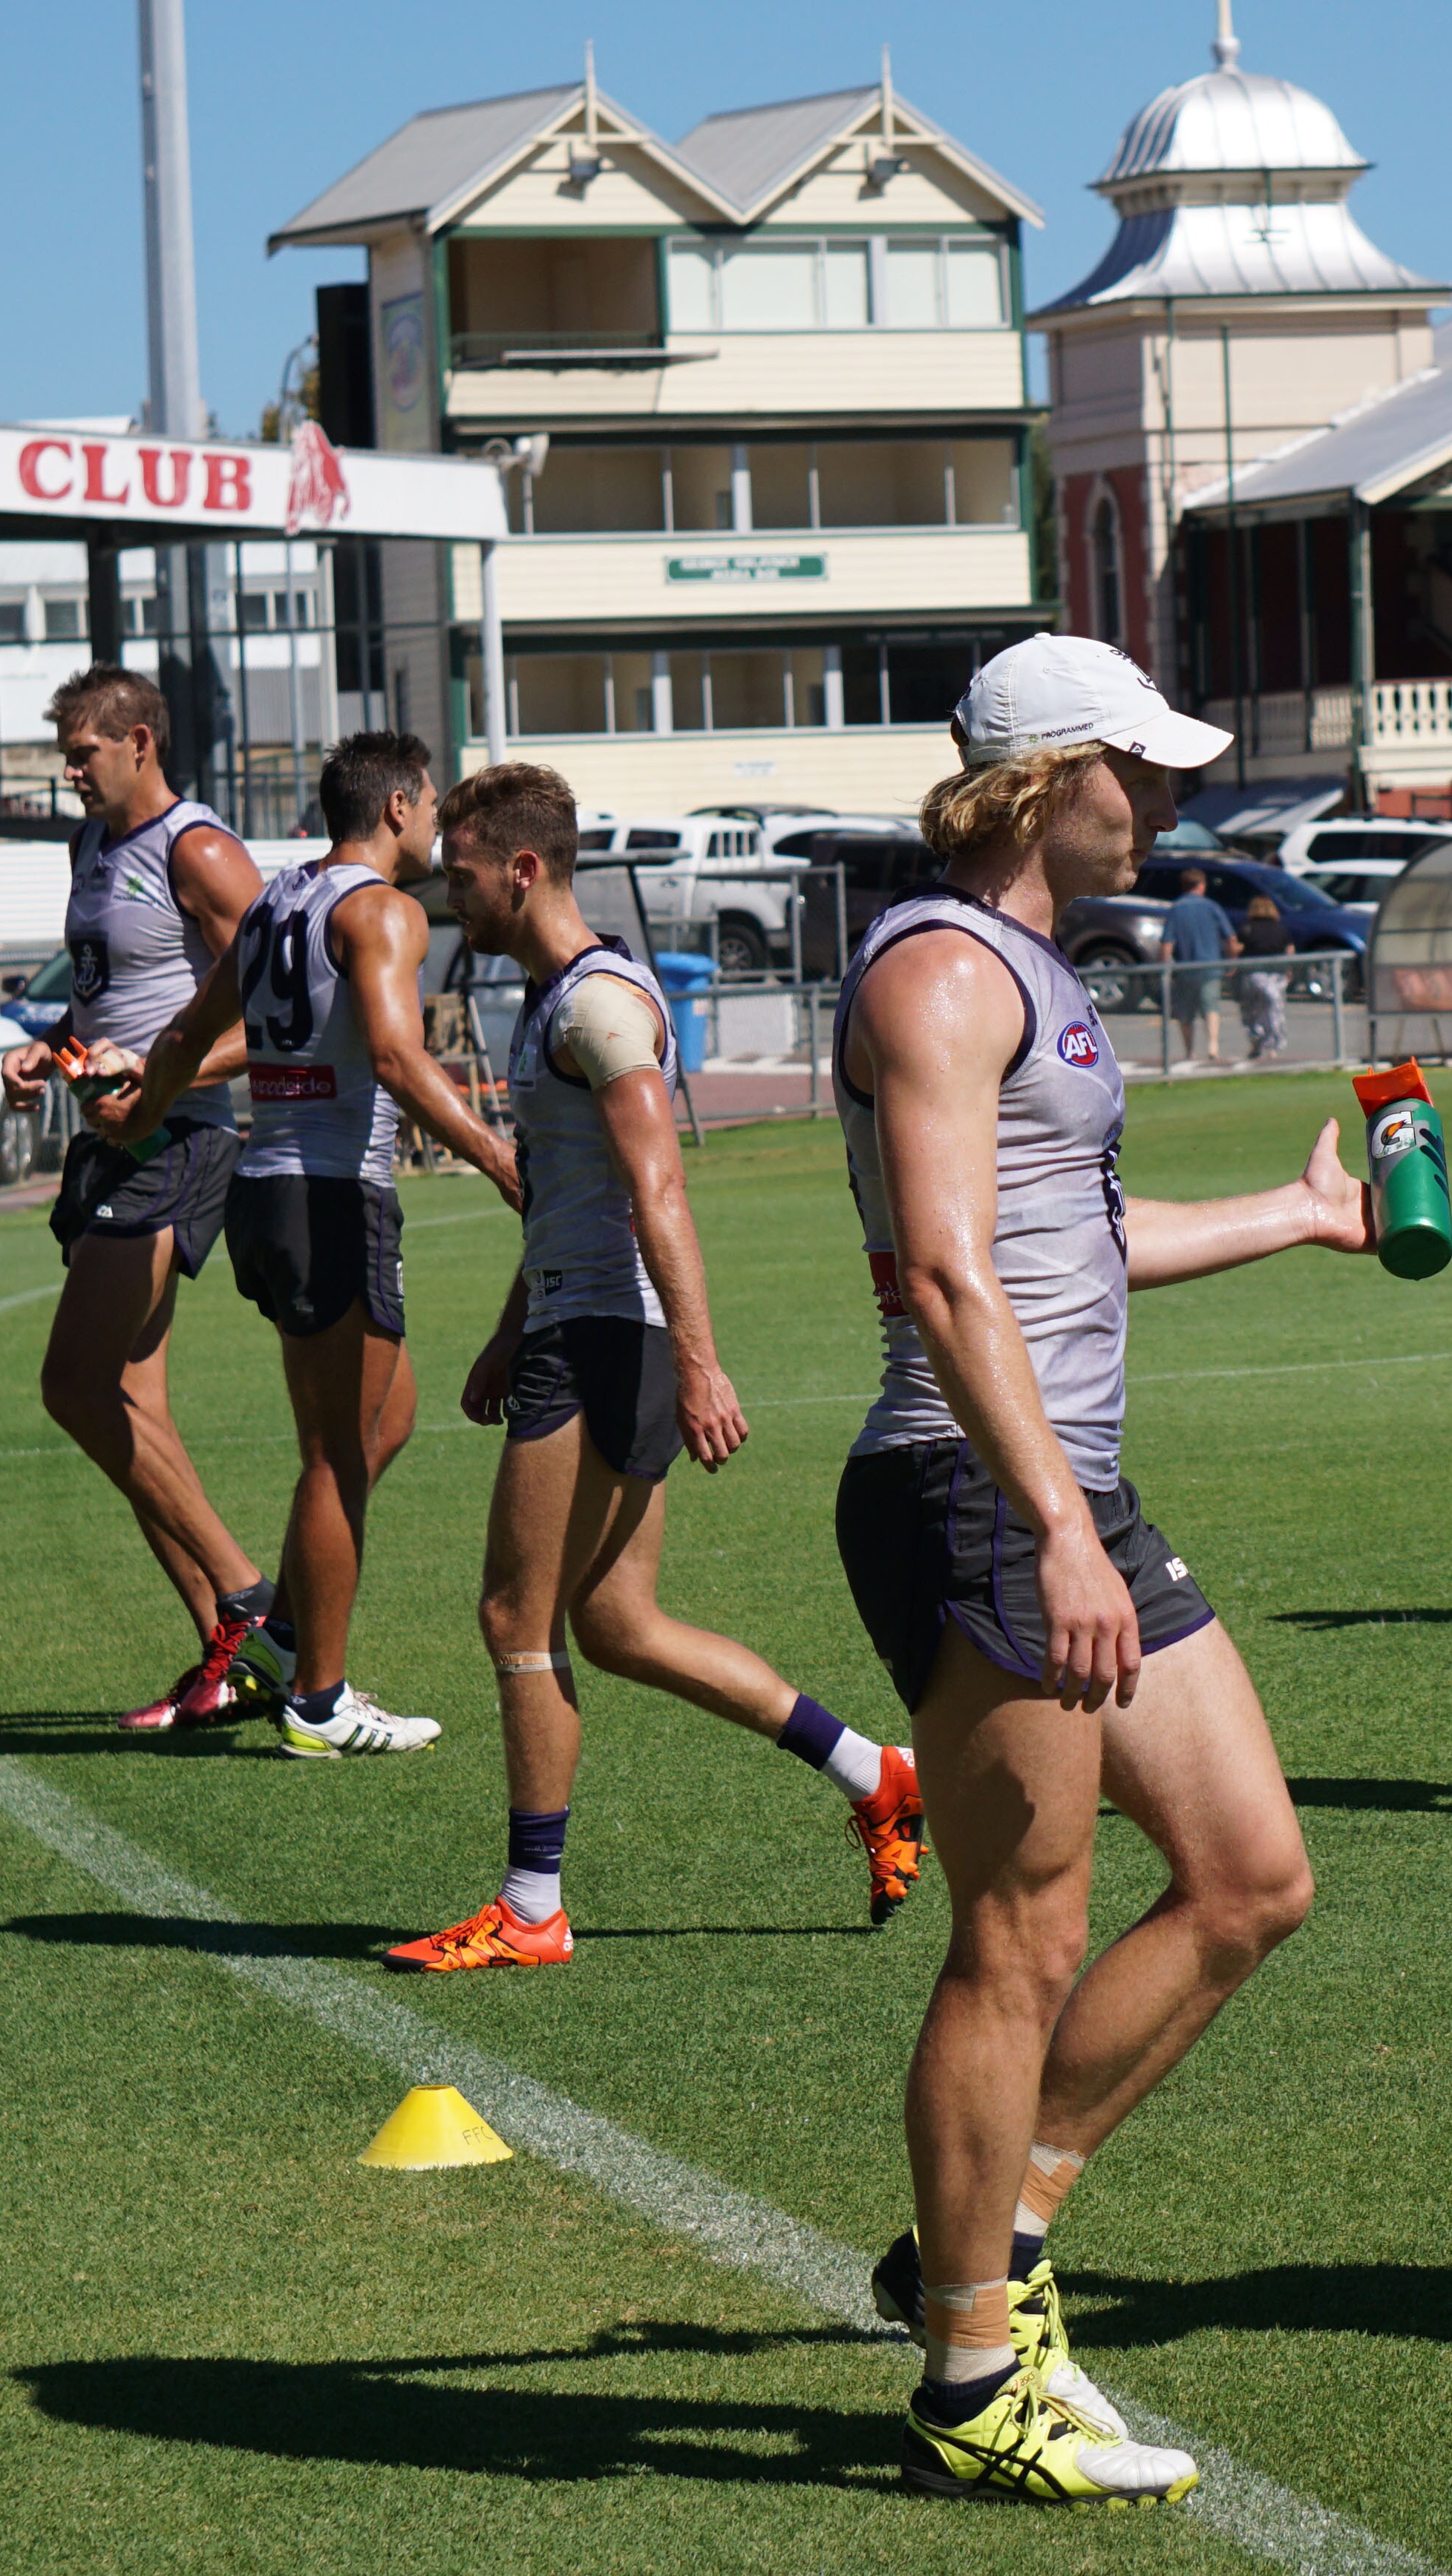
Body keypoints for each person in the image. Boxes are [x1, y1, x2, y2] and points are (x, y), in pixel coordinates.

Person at [834, 635, 1372, 2502]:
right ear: (1037, 773)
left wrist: (1300, 1215)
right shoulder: (933, 969)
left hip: (1066, 1488)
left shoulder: (1032, 968)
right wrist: (1056, 1518)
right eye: (1124, 769)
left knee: (1247, 1873)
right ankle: (971, 2377)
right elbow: (944, 1268)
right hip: (981, 1491)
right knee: (1022, 1931)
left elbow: (1074, 1235)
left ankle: (993, 2227)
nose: (1149, 801)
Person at [387, 762, 923, 1964]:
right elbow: (571, 1197)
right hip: (577, 1326)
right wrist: (511, 1322)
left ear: (522, 870)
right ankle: (877, 1772)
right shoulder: (556, 999)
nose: (447, 894)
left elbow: (657, 1182)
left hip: (605, 1342)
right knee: (621, 1623)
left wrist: (700, 1359)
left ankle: (531, 1909)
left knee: (514, 1617)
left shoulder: (598, 1007)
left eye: (463, 874)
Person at [111, 733, 517, 1756]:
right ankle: (318, 1699)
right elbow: (391, 1051)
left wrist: (135, 1114)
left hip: (267, 1191)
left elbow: (184, 1034)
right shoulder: (384, 908)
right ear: (395, 806)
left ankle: (285, 1635)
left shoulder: (276, 901)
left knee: (387, 1418)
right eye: (430, 805)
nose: (436, 825)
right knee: (336, 1454)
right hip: (331, 1196)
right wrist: (498, 1156)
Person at [0, 666, 276, 1734]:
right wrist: (52, 1049)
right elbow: (106, 993)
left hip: (179, 1137)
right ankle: (226, 1657)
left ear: (141, 741)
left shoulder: (197, 849)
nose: (70, 773)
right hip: (112, 1140)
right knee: (134, 1407)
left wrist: (166, 1078)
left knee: (75, 1386)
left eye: (82, 754)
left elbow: (291, 1002)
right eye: (66, 755)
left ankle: (249, 1601)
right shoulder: (92, 846)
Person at [1156, 863, 1236, 1064]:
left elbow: (1167, 943)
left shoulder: (1176, 909)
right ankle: (1213, 1046)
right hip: (1210, 966)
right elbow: (1230, 938)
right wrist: (1232, 960)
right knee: (1211, 1006)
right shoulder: (1211, 907)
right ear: (1200, 885)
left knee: (1185, 1013)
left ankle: (1189, 1051)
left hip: (1185, 968)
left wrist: (1164, 967)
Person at [1234, 891, 1295, 1061]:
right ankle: (1273, 1047)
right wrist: (1289, 969)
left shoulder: (1247, 928)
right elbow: (1290, 950)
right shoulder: (1280, 928)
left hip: (1252, 974)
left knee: (1251, 1012)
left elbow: (1237, 948)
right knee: (1273, 1010)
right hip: (1276, 976)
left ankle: (1256, 1044)